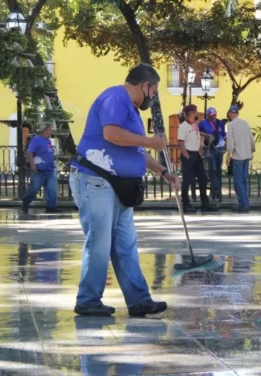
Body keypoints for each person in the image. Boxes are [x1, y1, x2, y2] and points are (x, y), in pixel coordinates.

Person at [69, 63, 179, 317]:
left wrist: (163, 172)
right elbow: (111, 134)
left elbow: (135, 151)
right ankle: (88, 300)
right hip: (96, 180)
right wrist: (151, 141)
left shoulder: (129, 109)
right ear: (145, 85)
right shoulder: (114, 97)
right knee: (99, 242)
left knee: (126, 244)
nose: (153, 97)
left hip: (117, 186)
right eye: (154, 91)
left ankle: (139, 300)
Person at [178, 104, 218, 214]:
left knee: (203, 179)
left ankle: (205, 202)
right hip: (189, 155)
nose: (197, 112)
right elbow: (181, 143)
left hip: (196, 155)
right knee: (187, 181)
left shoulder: (194, 125)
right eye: (196, 110)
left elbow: (197, 134)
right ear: (191, 112)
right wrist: (187, 156)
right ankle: (185, 204)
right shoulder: (183, 126)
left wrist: (205, 136)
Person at [21, 122, 61, 214]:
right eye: (50, 129)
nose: (52, 131)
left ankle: (51, 207)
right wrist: (32, 165)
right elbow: (29, 152)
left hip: (50, 170)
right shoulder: (36, 140)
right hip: (38, 170)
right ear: (45, 130)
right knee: (34, 188)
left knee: (52, 189)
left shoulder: (48, 141)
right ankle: (25, 202)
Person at [225, 105, 255, 213]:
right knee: (244, 180)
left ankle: (243, 204)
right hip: (246, 155)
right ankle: (245, 202)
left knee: (238, 181)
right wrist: (252, 150)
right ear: (237, 113)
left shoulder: (231, 125)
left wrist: (228, 155)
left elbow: (230, 142)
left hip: (238, 156)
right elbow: (251, 138)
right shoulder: (245, 123)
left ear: (230, 114)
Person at [198, 107, 226, 201]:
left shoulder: (220, 123)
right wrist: (205, 135)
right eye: (211, 115)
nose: (213, 116)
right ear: (207, 115)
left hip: (220, 148)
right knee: (212, 169)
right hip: (209, 148)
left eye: (214, 114)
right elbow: (196, 130)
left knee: (218, 169)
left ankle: (215, 191)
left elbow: (223, 134)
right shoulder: (203, 123)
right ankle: (216, 190)